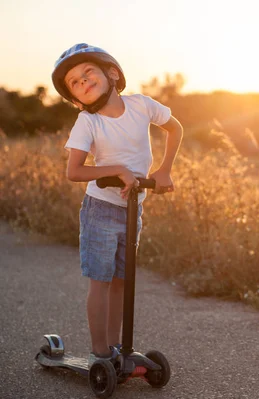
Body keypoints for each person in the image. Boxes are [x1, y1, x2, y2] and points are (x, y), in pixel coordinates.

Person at [51, 43, 183, 365]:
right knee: (102, 280)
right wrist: (117, 170)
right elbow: (75, 171)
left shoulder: (141, 106)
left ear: (112, 73)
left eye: (88, 73)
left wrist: (163, 170)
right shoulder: (88, 122)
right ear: (75, 98)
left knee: (123, 280)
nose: (83, 82)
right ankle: (100, 353)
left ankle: (117, 349)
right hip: (101, 209)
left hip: (132, 208)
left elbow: (175, 128)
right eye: (74, 82)